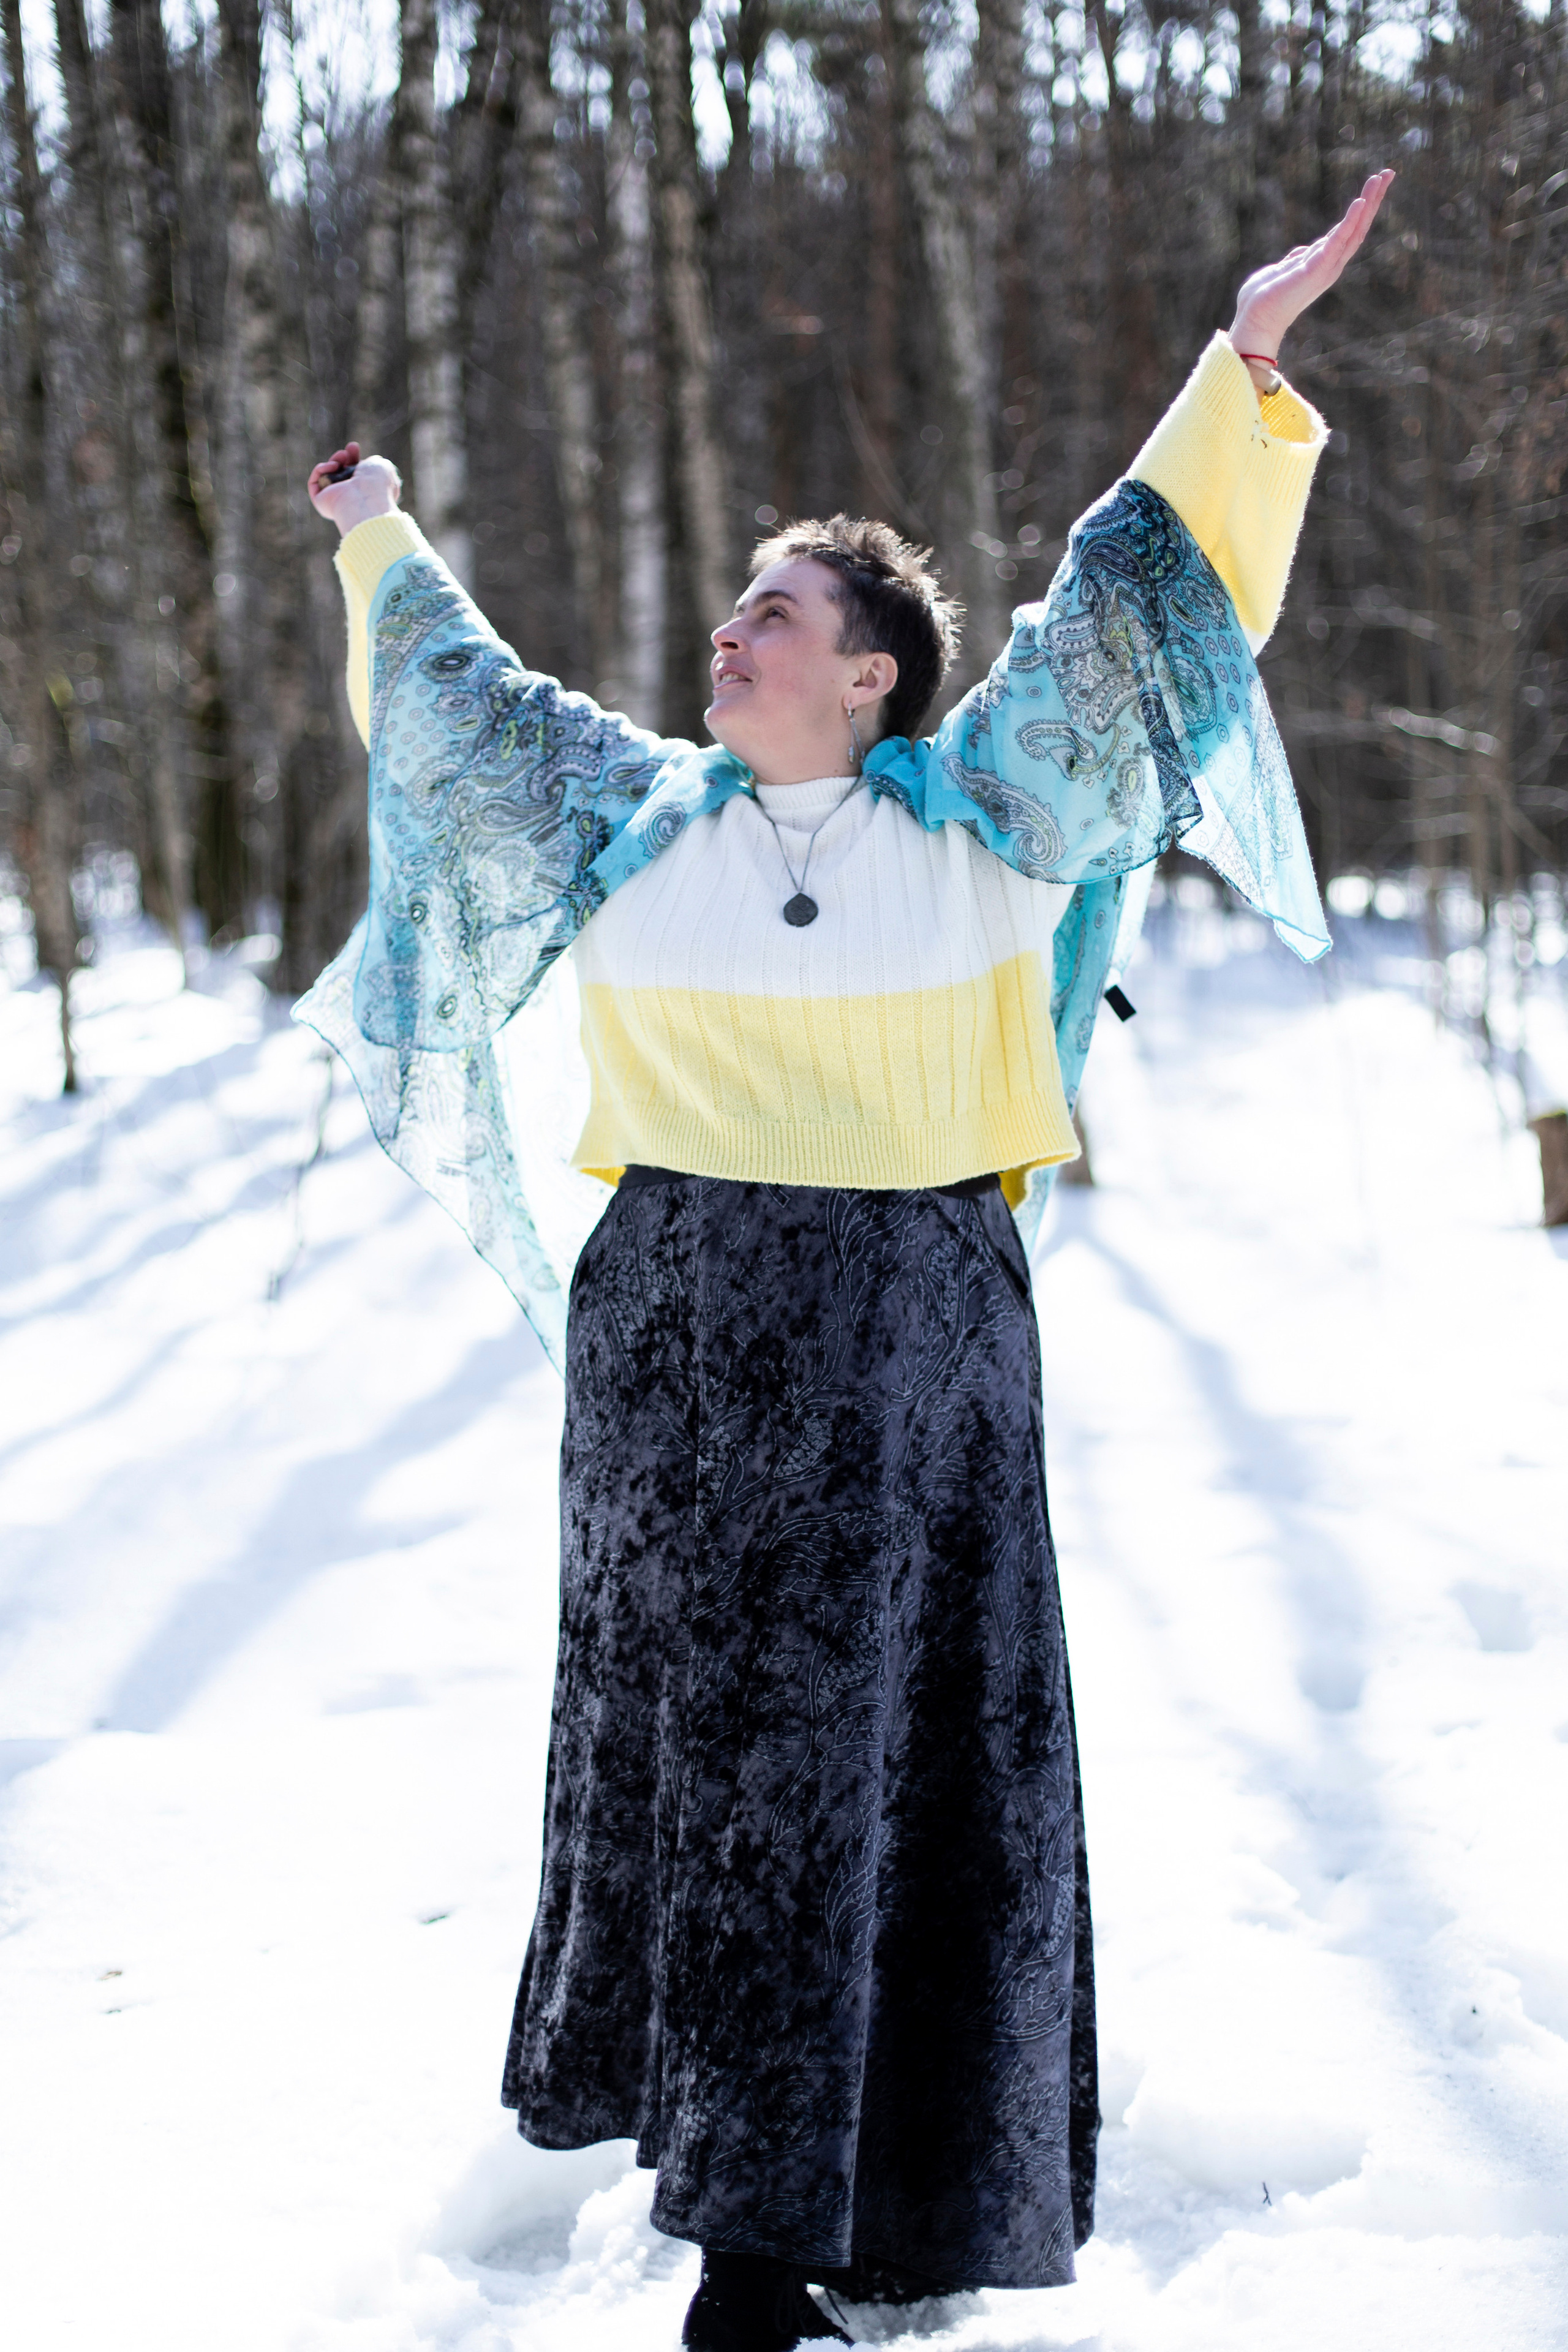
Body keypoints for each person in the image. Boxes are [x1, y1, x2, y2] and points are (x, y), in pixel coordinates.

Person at [301, 174, 1392, 2352]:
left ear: (872, 673)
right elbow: (446, 698)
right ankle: (744, 2235)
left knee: (905, 1760)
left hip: (913, 1346)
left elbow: (1130, 601)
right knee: (727, 1770)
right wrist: (375, 534)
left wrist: (1241, 371)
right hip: (679, 1338)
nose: (733, 632)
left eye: (776, 615)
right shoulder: (626, 821)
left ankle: (880, 2207)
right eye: (733, 605)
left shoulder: (992, 818)